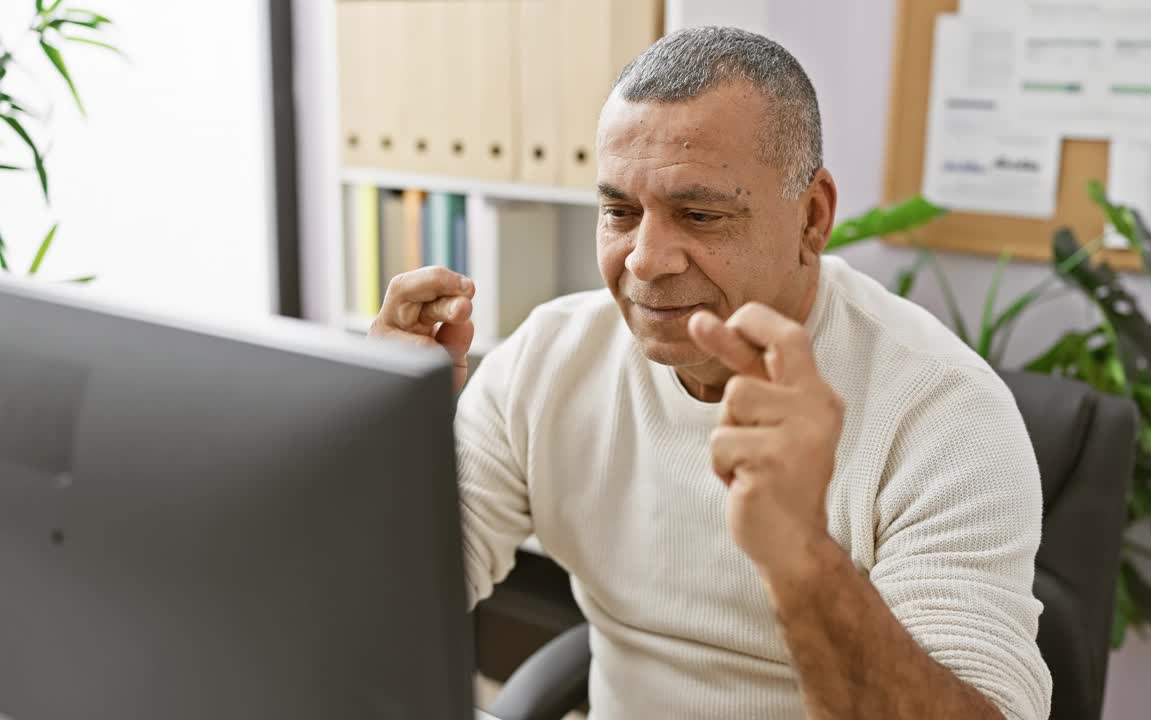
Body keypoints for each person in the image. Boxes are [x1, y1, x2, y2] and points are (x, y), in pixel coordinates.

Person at [370, 26, 1052, 720]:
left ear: (812, 219)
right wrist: (392, 445)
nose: (645, 259)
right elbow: (389, 609)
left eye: (698, 215)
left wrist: (800, 556)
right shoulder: (550, 358)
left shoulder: (943, 412)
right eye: (620, 212)